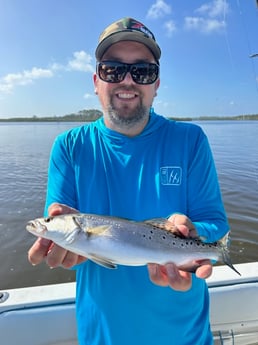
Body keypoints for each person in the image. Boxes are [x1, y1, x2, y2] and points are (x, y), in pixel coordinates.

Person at [28, 17, 229, 345]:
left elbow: (216, 225)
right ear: (96, 81)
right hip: (102, 335)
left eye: (142, 71)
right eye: (112, 69)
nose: (127, 81)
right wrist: (59, 246)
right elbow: (61, 231)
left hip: (185, 334)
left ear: (157, 83)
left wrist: (195, 233)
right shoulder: (69, 147)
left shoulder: (190, 140)